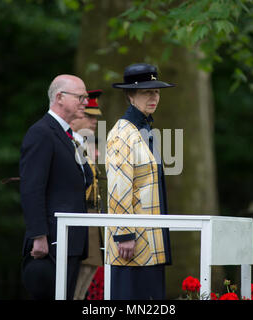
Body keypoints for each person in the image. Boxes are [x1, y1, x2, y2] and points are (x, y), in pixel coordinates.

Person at [20, 74, 93, 300]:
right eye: (80, 97)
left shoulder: (70, 136)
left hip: (71, 240)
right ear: (59, 97)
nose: (86, 102)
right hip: (51, 241)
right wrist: (39, 235)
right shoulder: (42, 132)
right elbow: (32, 188)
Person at [106, 63, 174, 299]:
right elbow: (118, 187)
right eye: (146, 92)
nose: (154, 96)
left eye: (156, 91)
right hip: (132, 245)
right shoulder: (122, 133)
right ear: (130, 95)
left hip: (151, 240)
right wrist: (124, 233)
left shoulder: (144, 130)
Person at [71, 90, 104, 300]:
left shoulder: (84, 145)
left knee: (82, 286)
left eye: (95, 117)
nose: (94, 121)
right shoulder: (69, 144)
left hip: (91, 222)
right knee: (72, 288)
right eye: (88, 116)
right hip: (77, 222)